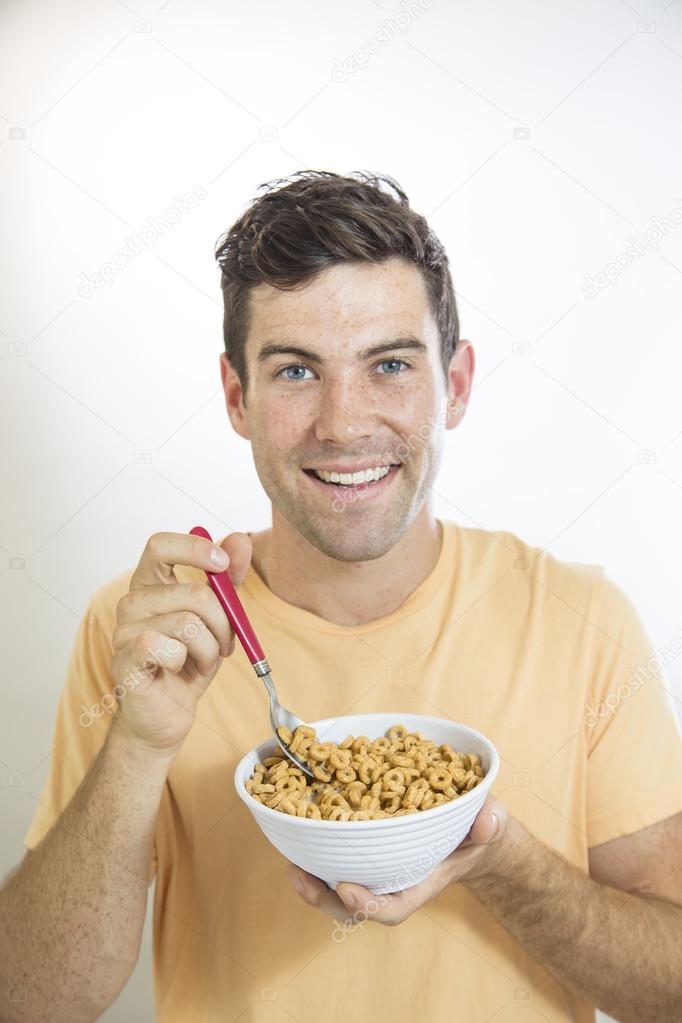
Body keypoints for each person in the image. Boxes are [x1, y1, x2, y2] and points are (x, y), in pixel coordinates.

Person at [1, 170, 681, 1023]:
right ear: (237, 396)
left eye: (390, 364)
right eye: (295, 372)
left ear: (456, 385)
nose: (344, 423)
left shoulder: (582, 623)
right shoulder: (154, 632)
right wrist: (139, 746)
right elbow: (26, 1002)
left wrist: (499, 857)